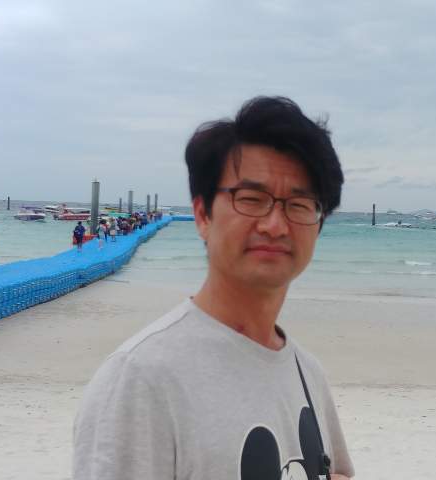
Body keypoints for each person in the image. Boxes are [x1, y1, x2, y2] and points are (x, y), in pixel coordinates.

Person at [73, 96, 353, 479]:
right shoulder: (141, 379)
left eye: (300, 205)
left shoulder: (308, 373)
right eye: (251, 199)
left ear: (318, 225)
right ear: (203, 214)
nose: (275, 225)